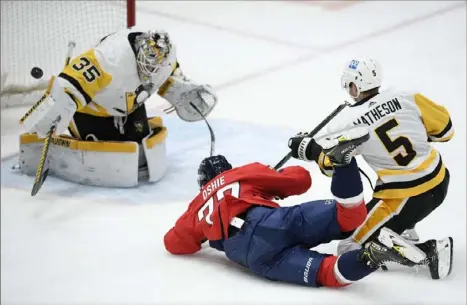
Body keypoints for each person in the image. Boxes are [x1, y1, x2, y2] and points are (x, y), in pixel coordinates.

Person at [164, 126, 429, 288]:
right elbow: (300, 180)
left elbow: (173, 244)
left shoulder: (196, 207)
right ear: (226, 170)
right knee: (349, 216)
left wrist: (205, 234)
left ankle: (371, 257)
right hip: (271, 221)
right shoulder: (241, 174)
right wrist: (270, 181)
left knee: (329, 274)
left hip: (251, 258)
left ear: (202, 184)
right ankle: (343, 162)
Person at [287, 57, 453, 279]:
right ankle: (403, 230)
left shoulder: (348, 123)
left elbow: (332, 165)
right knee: (382, 214)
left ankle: (430, 253)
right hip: (440, 180)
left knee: (349, 248)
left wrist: (310, 150)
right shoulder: (406, 96)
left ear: (354, 86)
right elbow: (445, 132)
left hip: (404, 197)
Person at [17, 28, 217, 187]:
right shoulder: (110, 57)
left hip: (128, 105)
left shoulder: (167, 53)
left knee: (140, 157)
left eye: (155, 68)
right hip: (92, 109)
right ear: (139, 52)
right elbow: (71, 81)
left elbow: (167, 74)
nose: (150, 73)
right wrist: (59, 107)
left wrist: (178, 88)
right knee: (108, 159)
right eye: (147, 66)